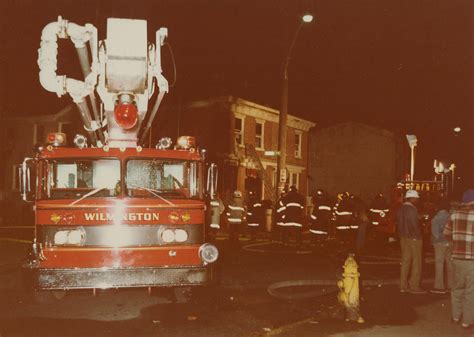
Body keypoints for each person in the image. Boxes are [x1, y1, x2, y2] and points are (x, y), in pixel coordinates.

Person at [444, 189, 474, 329]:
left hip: (457, 258)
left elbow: (446, 233)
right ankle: (467, 321)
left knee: (457, 288)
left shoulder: (454, 215)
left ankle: (456, 316)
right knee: (471, 291)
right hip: (473, 260)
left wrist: (458, 241)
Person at [397, 189, 426, 294]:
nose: (418, 200)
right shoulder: (412, 209)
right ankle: (414, 286)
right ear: (412, 198)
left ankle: (403, 285)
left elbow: (403, 222)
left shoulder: (401, 208)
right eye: (417, 198)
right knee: (416, 263)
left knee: (405, 261)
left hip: (403, 237)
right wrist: (419, 236)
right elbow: (414, 225)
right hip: (414, 238)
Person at [430, 198, 453, 294]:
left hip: (439, 244)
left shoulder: (436, 218)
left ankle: (439, 287)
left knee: (439, 264)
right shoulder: (450, 216)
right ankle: (451, 285)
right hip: (450, 242)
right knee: (450, 264)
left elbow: (435, 233)